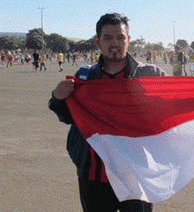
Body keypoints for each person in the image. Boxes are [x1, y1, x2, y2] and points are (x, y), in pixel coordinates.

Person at [49, 13, 166, 212]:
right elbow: (68, 117)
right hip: (94, 175)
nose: (115, 44)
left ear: (128, 40)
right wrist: (57, 97)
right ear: (97, 41)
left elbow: (176, 105)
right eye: (108, 38)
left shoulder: (150, 74)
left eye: (120, 38)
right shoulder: (84, 77)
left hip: (134, 173)